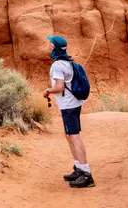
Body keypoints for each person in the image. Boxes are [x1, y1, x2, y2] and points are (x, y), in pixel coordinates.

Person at [41, 35, 95, 188]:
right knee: (69, 135)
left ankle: (86, 175)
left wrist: (47, 91)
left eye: (50, 43)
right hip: (72, 103)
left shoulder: (58, 65)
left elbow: (59, 87)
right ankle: (79, 168)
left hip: (69, 105)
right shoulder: (68, 62)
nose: (48, 44)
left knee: (74, 136)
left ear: (55, 47)